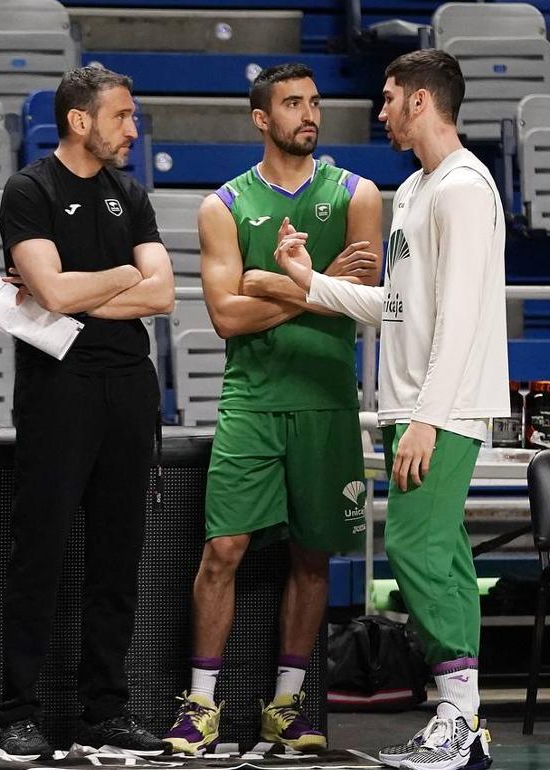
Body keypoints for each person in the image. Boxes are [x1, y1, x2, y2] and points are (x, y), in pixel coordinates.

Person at [273, 49, 507, 770]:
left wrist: (430, 418)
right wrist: (311, 284)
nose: (380, 110)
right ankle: (465, 725)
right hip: (415, 406)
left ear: (421, 102)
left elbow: (465, 317)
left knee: (414, 550)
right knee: (445, 556)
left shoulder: (464, 187)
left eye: (389, 97)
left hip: (446, 408)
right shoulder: (413, 190)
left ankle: (459, 719)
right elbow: (399, 308)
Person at [161, 63, 382, 754]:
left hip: (326, 400)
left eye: (314, 102)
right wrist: (313, 284)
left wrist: (273, 279)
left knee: (312, 559)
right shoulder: (221, 206)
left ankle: (287, 706)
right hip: (251, 401)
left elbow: (370, 298)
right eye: (292, 103)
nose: (308, 114)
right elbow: (226, 317)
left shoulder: (361, 194)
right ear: (262, 118)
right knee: (223, 549)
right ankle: (200, 704)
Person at [0, 65, 175, 758]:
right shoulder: (30, 190)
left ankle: (106, 711)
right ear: (80, 120)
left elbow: (162, 298)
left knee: (116, 560)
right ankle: (17, 713)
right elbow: (52, 292)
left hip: (129, 389)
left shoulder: (129, 193)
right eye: (122, 116)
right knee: (37, 556)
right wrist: (125, 274)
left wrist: (81, 287)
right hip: (58, 391)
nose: (133, 128)